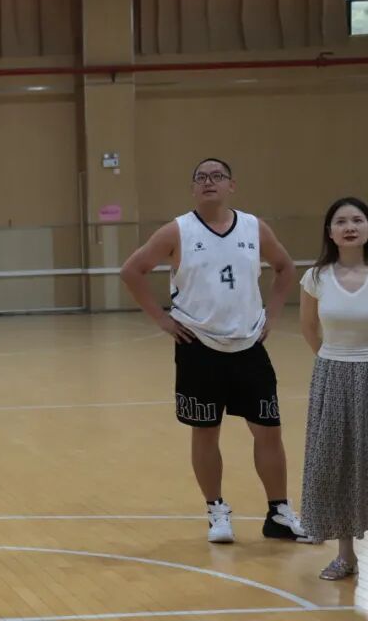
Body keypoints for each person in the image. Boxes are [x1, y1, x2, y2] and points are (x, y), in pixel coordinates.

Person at [120, 158, 308, 543]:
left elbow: (285, 267)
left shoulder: (255, 227)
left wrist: (272, 315)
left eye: (217, 176)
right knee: (206, 432)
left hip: (248, 344)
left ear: (231, 185)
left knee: (269, 430)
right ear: (193, 188)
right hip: (198, 345)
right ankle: (216, 511)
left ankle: (279, 512)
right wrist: (162, 319)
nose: (209, 182)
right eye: (201, 177)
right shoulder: (177, 230)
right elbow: (131, 270)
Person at [299, 196, 368, 580]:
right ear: (330, 232)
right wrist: (333, 360)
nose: (350, 227)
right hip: (333, 376)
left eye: (357, 219)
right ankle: (345, 555)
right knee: (338, 465)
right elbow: (309, 327)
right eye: (341, 221)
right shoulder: (316, 277)